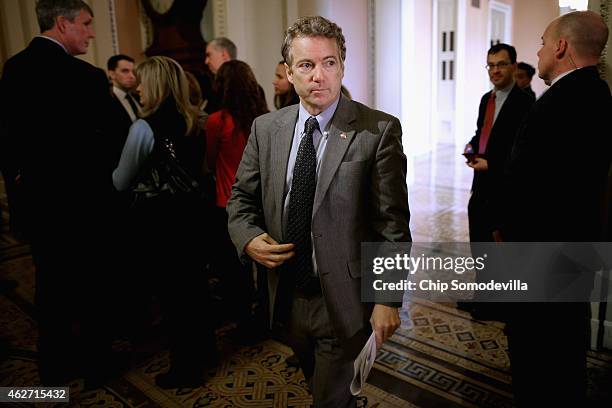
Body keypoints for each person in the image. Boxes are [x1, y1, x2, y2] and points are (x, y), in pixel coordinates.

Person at [227, 16, 411, 407]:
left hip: (343, 302)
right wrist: (247, 239)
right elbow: (240, 199)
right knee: (316, 382)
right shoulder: (266, 128)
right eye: (307, 65)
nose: (319, 76)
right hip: (286, 296)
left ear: (342, 67)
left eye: (329, 63)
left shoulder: (377, 131)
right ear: (289, 73)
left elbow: (392, 225)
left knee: (330, 399)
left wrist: (388, 299)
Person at [0, 0, 117, 386]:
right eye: (86, 23)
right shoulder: (87, 77)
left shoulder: (13, 70)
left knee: (50, 287)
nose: (92, 32)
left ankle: (54, 366)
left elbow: (8, 145)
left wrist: (19, 201)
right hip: (86, 206)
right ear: (62, 23)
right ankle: (98, 366)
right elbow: (113, 143)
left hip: (39, 207)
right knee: (93, 289)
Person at [497, 11, 610, 406]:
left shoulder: (563, 99)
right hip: (571, 251)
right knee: (563, 353)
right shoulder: (597, 94)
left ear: (561, 46)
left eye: (544, 42)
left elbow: (532, 183)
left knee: (540, 360)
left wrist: (505, 233)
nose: (540, 51)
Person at [112, 56, 217, 389]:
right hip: (195, 215)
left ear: (154, 84)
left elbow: (120, 180)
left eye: (142, 81)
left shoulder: (144, 127)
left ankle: (185, 369)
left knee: (173, 297)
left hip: (160, 221)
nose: (138, 87)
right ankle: (206, 352)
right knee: (195, 287)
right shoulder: (198, 120)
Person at [205, 60, 269, 337]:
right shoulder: (265, 119)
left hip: (229, 201)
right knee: (266, 264)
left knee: (236, 267)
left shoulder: (217, 121)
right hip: (263, 199)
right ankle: (267, 317)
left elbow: (208, 162)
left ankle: (244, 320)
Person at [465, 44, 534, 243]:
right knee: (481, 257)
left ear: (514, 66)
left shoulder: (526, 103)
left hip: (506, 195)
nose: (495, 71)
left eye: (501, 65)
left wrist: (492, 163)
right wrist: (471, 147)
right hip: (480, 190)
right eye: (490, 65)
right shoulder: (487, 99)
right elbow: (482, 133)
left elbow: (525, 151)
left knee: (502, 263)